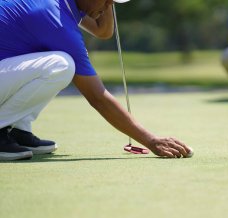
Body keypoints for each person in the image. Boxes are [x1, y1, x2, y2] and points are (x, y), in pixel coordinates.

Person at [0, 0, 192, 161]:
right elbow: (97, 97)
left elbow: (103, 31)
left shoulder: (63, 5)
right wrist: (151, 140)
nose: (110, 5)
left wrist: (105, 3)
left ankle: (18, 129)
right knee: (61, 65)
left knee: (52, 58)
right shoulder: (56, 19)